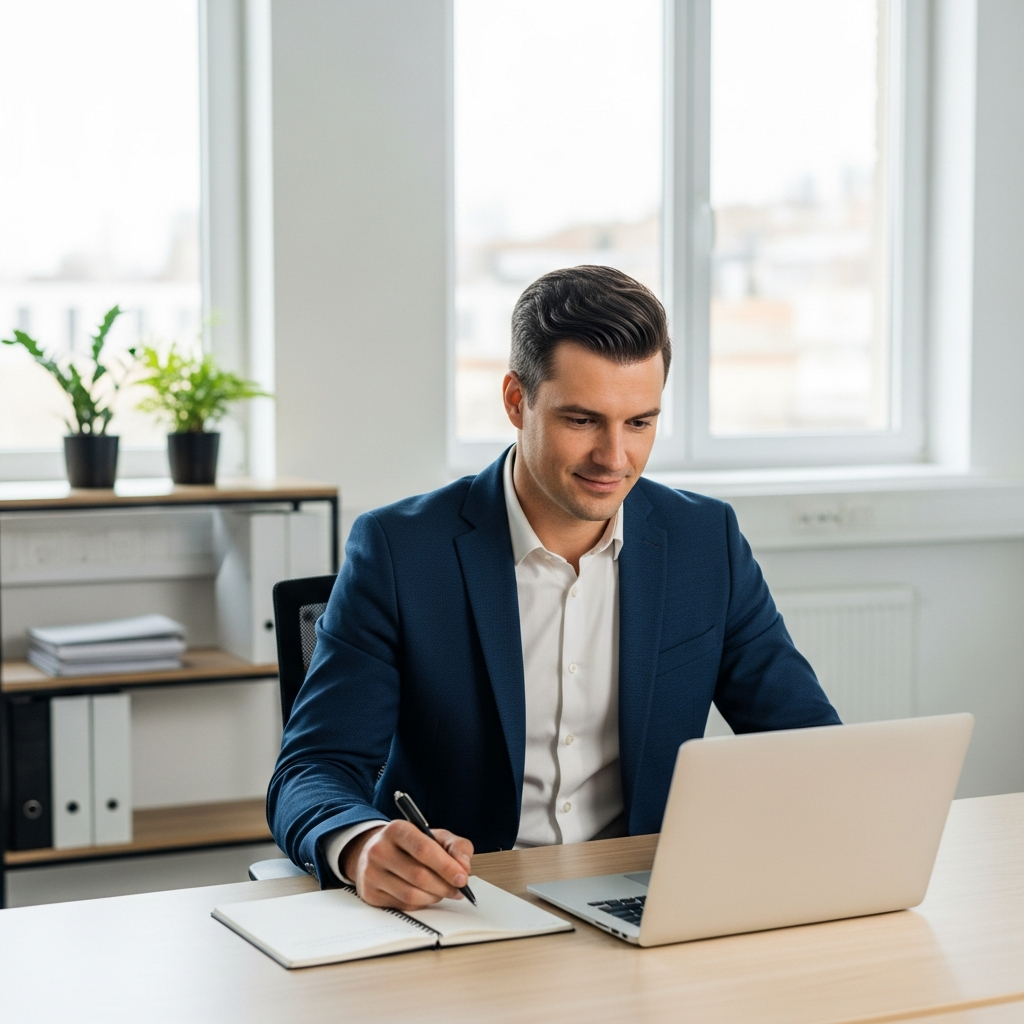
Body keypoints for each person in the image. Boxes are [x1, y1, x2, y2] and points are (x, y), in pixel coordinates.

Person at [268, 265, 840, 911]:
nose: (614, 458)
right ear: (517, 401)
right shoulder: (400, 553)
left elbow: (808, 743)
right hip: (468, 904)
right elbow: (312, 768)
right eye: (583, 420)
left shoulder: (704, 542)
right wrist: (360, 844)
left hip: (647, 898)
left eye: (639, 423)